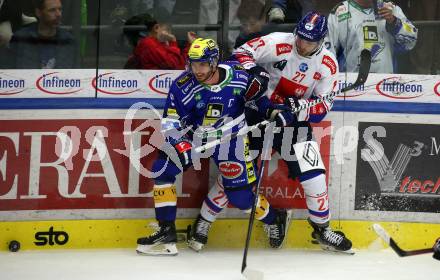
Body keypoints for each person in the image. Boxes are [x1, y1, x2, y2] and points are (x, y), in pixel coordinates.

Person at [189, 11, 353, 254]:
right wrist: (256, 71)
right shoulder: (277, 41)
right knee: (234, 175)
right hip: (256, 114)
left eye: (310, 41)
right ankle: (203, 221)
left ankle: (322, 230)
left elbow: (322, 107)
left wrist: (301, 111)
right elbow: (241, 54)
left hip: (293, 125)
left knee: (315, 176)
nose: (303, 44)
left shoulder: (328, 64)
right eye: (301, 37)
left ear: (321, 41)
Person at [136, 38, 291, 256]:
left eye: (202, 64)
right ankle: (166, 230)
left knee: (241, 198)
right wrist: (179, 142)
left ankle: (275, 218)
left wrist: (273, 112)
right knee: (163, 168)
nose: (196, 70)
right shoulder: (182, 86)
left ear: (214, 62)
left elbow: (256, 100)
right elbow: (170, 120)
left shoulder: (238, 76)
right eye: (193, 63)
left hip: (231, 139)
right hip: (195, 136)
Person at [326, 0, 417, 73]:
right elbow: (327, 55)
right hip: (352, 83)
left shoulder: (391, 8)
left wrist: (394, 21)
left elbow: (411, 41)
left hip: (386, 83)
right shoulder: (339, 11)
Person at [9, 0, 77, 69]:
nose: (58, 14)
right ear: (38, 13)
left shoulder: (69, 41)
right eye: (52, 10)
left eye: (60, 9)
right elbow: (7, 74)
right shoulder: (20, 39)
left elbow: (80, 74)